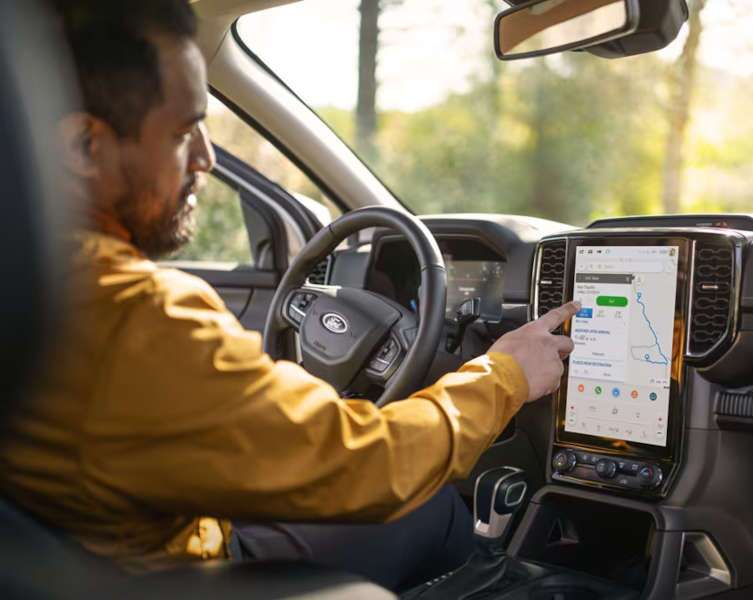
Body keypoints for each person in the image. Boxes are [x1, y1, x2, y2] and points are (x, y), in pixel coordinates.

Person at [0, 0, 578, 591]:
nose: (204, 157)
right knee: (434, 510)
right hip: (176, 572)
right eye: (182, 132)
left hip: (112, 547)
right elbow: (370, 465)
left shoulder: (45, 286)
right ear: (84, 149)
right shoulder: (135, 315)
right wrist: (502, 374)